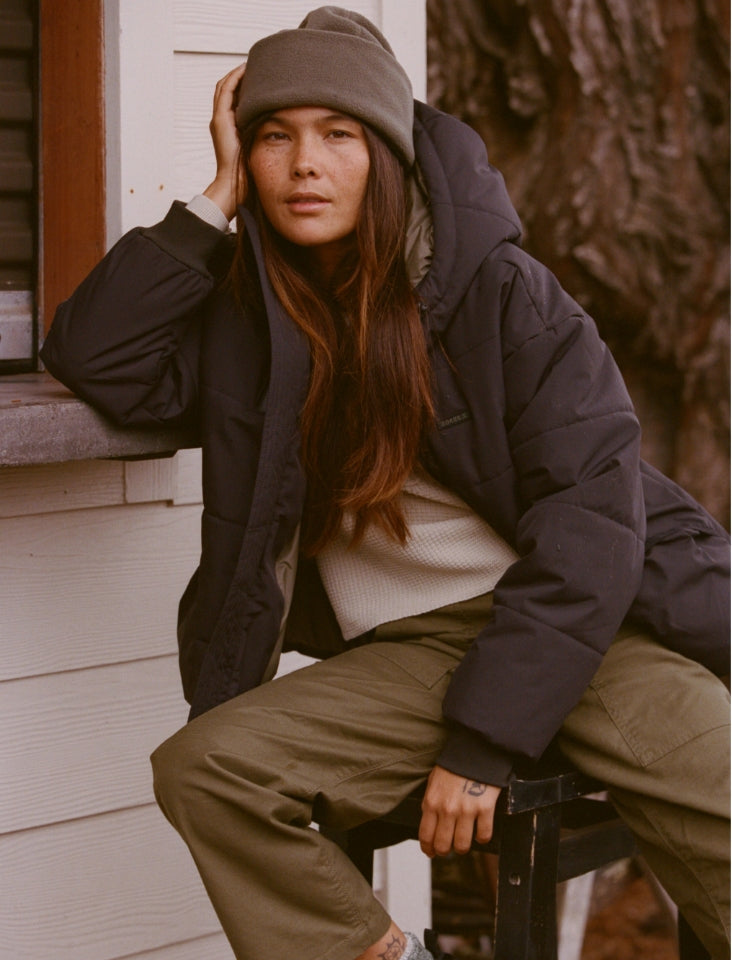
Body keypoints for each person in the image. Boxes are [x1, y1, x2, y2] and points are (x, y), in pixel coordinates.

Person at [40, 7, 730, 960]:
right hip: (408, 657)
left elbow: (591, 523)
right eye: (274, 137)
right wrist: (213, 201)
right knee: (208, 772)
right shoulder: (248, 319)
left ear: (391, 156)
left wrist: (482, 748)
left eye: (338, 135)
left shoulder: (501, 292)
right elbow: (95, 355)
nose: (304, 164)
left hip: (577, 623)